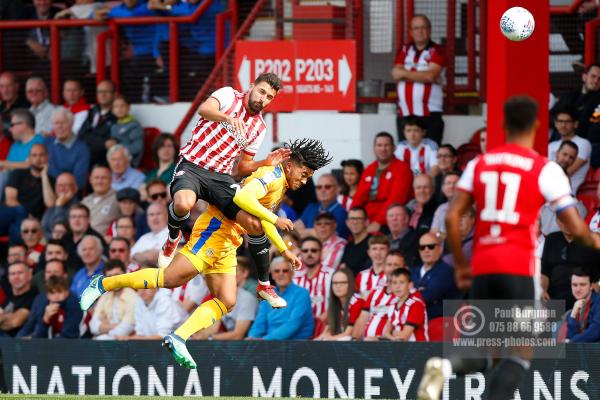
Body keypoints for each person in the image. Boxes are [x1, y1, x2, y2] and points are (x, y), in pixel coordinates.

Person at [79, 138, 330, 368]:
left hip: (230, 241)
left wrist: (285, 250)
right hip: (216, 230)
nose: (305, 180)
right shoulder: (271, 176)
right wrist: (275, 219)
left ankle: (179, 337)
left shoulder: (280, 184)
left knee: (227, 301)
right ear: (290, 165)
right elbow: (243, 198)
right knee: (170, 279)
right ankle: (103, 284)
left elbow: (259, 222)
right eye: (304, 174)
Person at [417, 96, 600, 400]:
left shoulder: (479, 163)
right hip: (518, 267)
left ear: (502, 125)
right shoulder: (544, 168)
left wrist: (462, 265)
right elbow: (576, 227)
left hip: (483, 266)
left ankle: (446, 367)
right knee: (520, 353)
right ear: (537, 125)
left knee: (488, 351)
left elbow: (452, 215)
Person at [159, 73, 290, 305]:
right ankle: (172, 237)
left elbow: (242, 167)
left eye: (269, 97)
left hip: (219, 177)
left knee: (254, 223)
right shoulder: (229, 95)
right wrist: (228, 119)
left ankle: (265, 285)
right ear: (252, 86)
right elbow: (204, 110)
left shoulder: (259, 127)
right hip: (193, 165)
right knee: (182, 204)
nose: (263, 99)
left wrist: (265, 163)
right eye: (261, 92)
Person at [392, 14, 445, 145]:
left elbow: (431, 75)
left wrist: (405, 74)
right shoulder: (405, 49)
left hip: (430, 112)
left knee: (431, 154)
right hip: (405, 113)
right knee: (404, 155)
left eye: (423, 28)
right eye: (416, 28)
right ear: (410, 32)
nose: (420, 31)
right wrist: (422, 74)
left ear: (430, 30)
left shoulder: (437, 50)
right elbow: (395, 74)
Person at [351, 132, 413, 232]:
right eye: (379, 145)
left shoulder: (402, 169)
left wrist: (378, 222)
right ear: (374, 148)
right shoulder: (369, 169)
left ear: (394, 148)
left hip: (388, 221)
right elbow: (359, 197)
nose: (383, 149)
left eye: (386, 145)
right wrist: (354, 217)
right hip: (366, 219)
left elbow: (396, 199)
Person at [247, 257, 314, 341]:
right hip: (270, 344)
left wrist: (265, 340)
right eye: (276, 271)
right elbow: (259, 323)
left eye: (285, 271)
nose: (281, 274)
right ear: (272, 275)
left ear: (292, 273)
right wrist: (252, 338)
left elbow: (293, 325)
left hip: (297, 344)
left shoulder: (302, 294)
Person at [192, 262, 258, 340]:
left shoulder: (246, 299)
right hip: (232, 345)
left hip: (249, 346)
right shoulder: (220, 298)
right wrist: (197, 335)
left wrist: (209, 337)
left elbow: (238, 335)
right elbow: (214, 328)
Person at [410, 233, 458, 319]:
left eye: (431, 246)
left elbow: (427, 296)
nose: (426, 250)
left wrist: (411, 289)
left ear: (440, 249)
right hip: (414, 320)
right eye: (422, 247)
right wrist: (417, 290)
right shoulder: (413, 271)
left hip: (439, 322)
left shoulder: (446, 271)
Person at [17, 274, 81, 338]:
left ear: (66, 293)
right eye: (52, 293)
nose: (56, 296)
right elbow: (39, 335)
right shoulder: (44, 305)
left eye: (59, 292)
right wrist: (45, 320)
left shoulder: (73, 305)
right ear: (47, 295)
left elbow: (69, 336)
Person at [89, 259, 138, 340]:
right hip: (106, 343)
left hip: (126, 346)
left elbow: (125, 330)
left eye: (117, 275)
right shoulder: (105, 296)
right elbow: (93, 327)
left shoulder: (132, 296)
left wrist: (103, 327)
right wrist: (116, 325)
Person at [4, 143, 53, 222]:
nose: (38, 159)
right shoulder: (18, 173)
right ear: (29, 158)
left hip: (34, 222)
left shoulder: (51, 180)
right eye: (34, 155)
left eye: (41, 155)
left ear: (47, 157)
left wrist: (44, 176)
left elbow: (50, 204)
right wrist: (25, 214)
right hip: (15, 215)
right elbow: (10, 200)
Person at [548, 106, 591, 193]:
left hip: (567, 194)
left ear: (575, 124)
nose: (563, 125)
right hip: (548, 192)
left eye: (567, 122)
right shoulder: (551, 145)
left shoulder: (583, 144)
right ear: (555, 124)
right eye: (560, 121)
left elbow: (566, 173)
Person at [45, 107, 91, 190]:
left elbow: (79, 182)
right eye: (56, 123)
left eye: (64, 123)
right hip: (45, 189)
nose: (60, 126)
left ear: (72, 124)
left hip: (68, 193)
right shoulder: (47, 142)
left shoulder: (82, 149)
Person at [295, 173, 349, 239]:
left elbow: (324, 237)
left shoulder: (342, 213)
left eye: (327, 187)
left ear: (337, 189)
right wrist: (312, 232)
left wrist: (303, 232)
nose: (322, 190)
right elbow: (294, 230)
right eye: (319, 187)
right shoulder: (311, 207)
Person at [315, 268, 363, 341]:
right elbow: (328, 330)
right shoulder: (335, 304)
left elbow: (349, 333)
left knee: (345, 339)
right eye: (335, 283)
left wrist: (329, 339)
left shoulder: (357, 302)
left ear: (350, 284)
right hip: (341, 342)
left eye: (343, 283)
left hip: (360, 342)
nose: (338, 286)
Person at [293, 236, 334, 320]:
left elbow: (338, 302)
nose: (309, 254)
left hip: (324, 327)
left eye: (314, 250)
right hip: (300, 327)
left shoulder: (331, 275)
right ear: (301, 253)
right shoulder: (295, 279)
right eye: (305, 251)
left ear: (321, 252)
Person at [78, 80, 117, 167]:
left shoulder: (118, 115)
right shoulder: (92, 111)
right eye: (100, 92)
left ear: (114, 94)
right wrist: (103, 143)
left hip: (105, 162)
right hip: (87, 158)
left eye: (106, 92)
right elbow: (81, 136)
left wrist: (91, 137)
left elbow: (112, 142)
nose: (102, 95)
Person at [382, 268, 428, 342]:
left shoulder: (416, 304)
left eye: (402, 282)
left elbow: (404, 337)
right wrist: (392, 337)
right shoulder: (393, 303)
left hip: (416, 348)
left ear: (410, 285)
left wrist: (392, 333)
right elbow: (385, 332)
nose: (398, 286)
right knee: (369, 339)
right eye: (394, 283)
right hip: (397, 345)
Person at [0, 262, 37, 337]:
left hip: (18, 344)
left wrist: (3, 316)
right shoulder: (8, 298)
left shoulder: (34, 297)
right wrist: (8, 316)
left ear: (29, 275)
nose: (16, 277)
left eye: (20, 273)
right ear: (9, 278)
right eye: (12, 274)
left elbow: (14, 322)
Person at [82, 165, 119, 235]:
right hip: (83, 242)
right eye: (96, 177)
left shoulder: (118, 198)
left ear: (111, 180)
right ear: (90, 180)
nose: (99, 181)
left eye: (103, 178)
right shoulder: (85, 201)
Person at [108, 95, 144, 167]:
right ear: (112, 110)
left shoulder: (134, 125)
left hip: (130, 162)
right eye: (116, 106)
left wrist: (117, 147)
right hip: (115, 161)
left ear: (128, 108)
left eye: (122, 106)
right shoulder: (114, 126)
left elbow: (137, 147)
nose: (119, 109)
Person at [566, 267, 600, 343]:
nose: (578, 289)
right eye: (574, 285)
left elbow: (595, 332)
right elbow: (571, 336)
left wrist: (571, 342)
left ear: (591, 286)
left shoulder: (598, 302)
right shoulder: (574, 309)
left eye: (582, 284)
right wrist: (573, 315)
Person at [41, 172, 79, 237]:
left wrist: (59, 206)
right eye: (59, 185)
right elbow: (44, 229)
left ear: (75, 188)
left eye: (66, 185)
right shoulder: (55, 203)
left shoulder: (77, 207)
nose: (62, 188)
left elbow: (60, 232)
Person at [130, 203, 168, 267]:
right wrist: (147, 256)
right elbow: (132, 256)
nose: (155, 218)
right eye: (151, 215)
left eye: (158, 214)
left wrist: (142, 256)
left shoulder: (175, 234)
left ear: (167, 216)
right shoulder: (144, 237)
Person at [339, 206, 372, 275]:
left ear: (366, 222)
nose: (355, 222)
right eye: (352, 219)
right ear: (347, 223)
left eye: (359, 219)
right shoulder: (348, 246)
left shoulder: (373, 243)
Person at [430, 171, 461, 238]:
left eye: (455, 183)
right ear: (443, 188)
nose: (451, 186)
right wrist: (442, 235)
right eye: (448, 183)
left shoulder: (469, 207)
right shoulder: (440, 209)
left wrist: (440, 235)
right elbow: (433, 233)